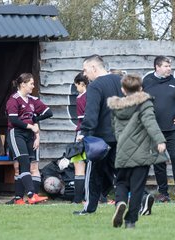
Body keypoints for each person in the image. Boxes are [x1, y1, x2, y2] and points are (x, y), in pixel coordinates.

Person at [107, 73, 167, 229]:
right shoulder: (144, 104)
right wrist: (160, 140)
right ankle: (130, 221)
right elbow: (150, 123)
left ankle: (120, 202)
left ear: (123, 90)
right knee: (137, 188)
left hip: (122, 151)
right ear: (140, 88)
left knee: (120, 182)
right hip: (141, 154)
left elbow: (114, 128)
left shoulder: (116, 107)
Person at [74, 54, 123, 215]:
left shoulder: (95, 86)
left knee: (93, 173)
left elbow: (91, 113)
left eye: (85, 70)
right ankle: (143, 198)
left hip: (101, 139)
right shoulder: (120, 81)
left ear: (94, 68)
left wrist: (84, 132)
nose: (85, 74)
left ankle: (89, 208)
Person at [143, 56, 175, 203]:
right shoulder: (147, 82)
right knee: (159, 162)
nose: (169, 68)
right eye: (166, 66)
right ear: (157, 67)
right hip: (155, 132)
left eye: (170, 66)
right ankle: (163, 194)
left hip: (173, 131)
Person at [5, 73, 53, 205]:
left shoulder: (33, 100)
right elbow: (13, 120)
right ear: (23, 84)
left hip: (29, 135)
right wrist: (30, 126)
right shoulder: (13, 100)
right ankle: (31, 195)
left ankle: (20, 199)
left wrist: (34, 120)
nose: (33, 86)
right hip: (16, 133)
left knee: (30, 164)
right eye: (31, 83)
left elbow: (49, 112)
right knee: (23, 163)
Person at [72, 72, 88, 203]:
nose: (76, 88)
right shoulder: (93, 95)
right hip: (93, 134)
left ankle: (78, 198)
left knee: (79, 164)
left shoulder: (81, 98)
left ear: (81, 84)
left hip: (82, 134)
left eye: (76, 85)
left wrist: (81, 134)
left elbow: (84, 119)